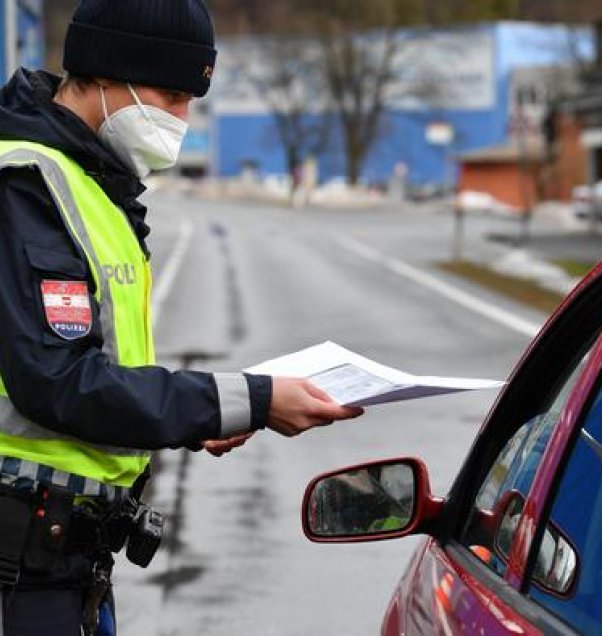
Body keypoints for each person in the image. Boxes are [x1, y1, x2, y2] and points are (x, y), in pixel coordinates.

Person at [0, 1, 363, 634]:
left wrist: (193, 422)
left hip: (67, 562)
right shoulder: (26, 186)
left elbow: (103, 367)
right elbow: (56, 380)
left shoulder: (93, 183)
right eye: (171, 95)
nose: (181, 120)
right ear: (108, 74)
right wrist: (242, 400)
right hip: (20, 570)